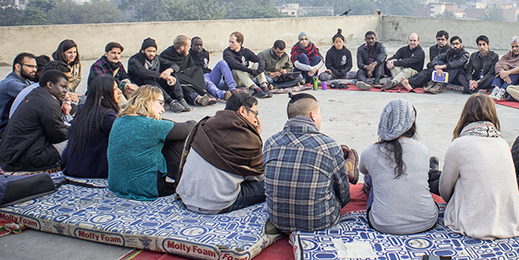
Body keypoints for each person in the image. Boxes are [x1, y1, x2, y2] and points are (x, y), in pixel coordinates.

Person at [439, 94, 519, 239]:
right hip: (511, 219)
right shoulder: (502, 143)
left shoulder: (459, 144)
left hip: (472, 220)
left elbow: (444, 190)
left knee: (448, 178)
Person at [263, 93, 358, 233]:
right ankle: (347, 166)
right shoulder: (328, 146)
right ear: (313, 115)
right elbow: (343, 195)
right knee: (334, 176)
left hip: (279, 220)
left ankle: (345, 166)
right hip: (320, 221)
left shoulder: (270, 143)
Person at [358, 99, 439, 234]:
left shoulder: (370, 151)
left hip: (382, 223)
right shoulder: (423, 150)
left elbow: (362, 170)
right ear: (411, 124)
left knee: (371, 175)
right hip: (426, 221)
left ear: (384, 121)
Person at [176, 93, 267, 214]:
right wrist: (257, 137)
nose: (256, 119)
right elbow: (257, 176)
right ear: (243, 110)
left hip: (187, 196)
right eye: (255, 113)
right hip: (215, 203)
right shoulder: (248, 138)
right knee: (271, 183)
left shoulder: (205, 124)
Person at [107, 85, 196, 200]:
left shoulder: (119, 120)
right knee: (179, 139)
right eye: (160, 103)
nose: (163, 110)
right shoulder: (151, 126)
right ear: (147, 101)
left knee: (168, 135)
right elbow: (191, 126)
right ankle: (187, 180)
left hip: (117, 185)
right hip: (147, 188)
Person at [0, 69, 70, 172]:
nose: (66, 91)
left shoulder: (36, 94)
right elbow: (58, 136)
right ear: (49, 85)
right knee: (78, 140)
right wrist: (75, 128)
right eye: (63, 86)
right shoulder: (49, 103)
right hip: (22, 159)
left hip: (8, 156)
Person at [62, 75, 121, 178]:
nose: (119, 92)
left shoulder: (84, 110)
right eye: (115, 89)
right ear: (102, 95)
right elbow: (127, 137)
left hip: (74, 167)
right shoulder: (106, 116)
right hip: (92, 170)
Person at [127, 37, 191, 113]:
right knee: (148, 78)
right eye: (149, 51)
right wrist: (161, 75)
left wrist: (168, 71)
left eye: (154, 51)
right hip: (141, 86)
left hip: (156, 85)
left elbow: (174, 65)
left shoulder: (156, 58)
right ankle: (170, 102)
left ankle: (180, 99)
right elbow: (142, 72)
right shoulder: (134, 60)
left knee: (172, 74)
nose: (152, 54)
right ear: (142, 51)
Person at [0, 52, 37, 138]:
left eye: (35, 67)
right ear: (18, 67)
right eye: (30, 66)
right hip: (0, 129)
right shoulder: (11, 84)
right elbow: (38, 96)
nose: (34, 70)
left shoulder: (25, 81)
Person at [400, 35, 468, 94]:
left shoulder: (465, 54)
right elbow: (437, 58)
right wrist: (436, 66)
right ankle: (411, 82)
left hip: (457, 76)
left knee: (455, 67)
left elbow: (458, 63)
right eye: (453, 44)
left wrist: (442, 66)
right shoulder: (449, 51)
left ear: (461, 44)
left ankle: (440, 85)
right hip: (446, 75)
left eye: (457, 44)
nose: (455, 46)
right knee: (432, 68)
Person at [159, 35, 216, 106]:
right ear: (181, 48)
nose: (189, 48)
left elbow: (192, 68)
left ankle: (203, 94)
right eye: (188, 46)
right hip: (173, 84)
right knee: (181, 82)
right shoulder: (166, 56)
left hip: (185, 78)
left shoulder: (186, 55)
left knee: (198, 70)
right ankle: (198, 98)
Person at [223, 31, 272, 99]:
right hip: (234, 79)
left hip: (245, 78)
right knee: (237, 68)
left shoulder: (245, 51)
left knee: (257, 64)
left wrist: (258, 71)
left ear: (239, 43)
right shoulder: (227, 52)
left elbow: (260, 60)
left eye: (232, 42)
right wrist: (249, 70)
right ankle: (255, 89)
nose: (230, 44)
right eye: (229, 42)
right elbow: (233, 64)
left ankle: (264, 86)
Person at [488, 36, 519, 100]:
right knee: (501, 70)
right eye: (512, 47)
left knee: (514, 70)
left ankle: (503, 91)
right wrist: (502, 72)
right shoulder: (510, 54)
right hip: (505, 77)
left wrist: (508, 72)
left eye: (516, 46)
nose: (514, 49)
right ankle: (496, 89)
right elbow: (499, 63)